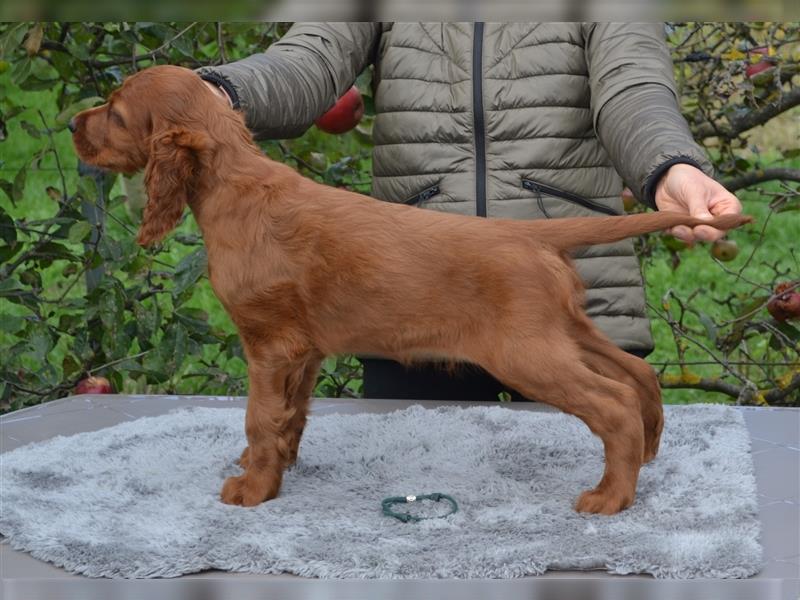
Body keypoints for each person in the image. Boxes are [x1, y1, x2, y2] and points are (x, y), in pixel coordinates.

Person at [196, 23, 743, 401]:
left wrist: (670, 166)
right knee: (411, 533)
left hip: (570, 289)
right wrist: (217, 93)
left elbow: (632, 86)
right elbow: (305, 62)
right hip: (411, 297)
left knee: (591, 532)